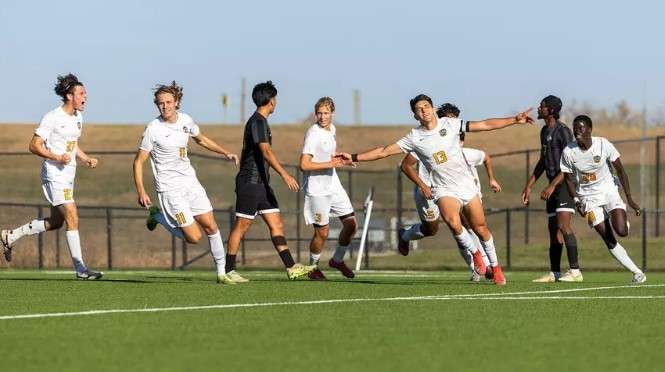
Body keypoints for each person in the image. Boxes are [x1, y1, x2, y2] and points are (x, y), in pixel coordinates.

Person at [339, 94, 534, 285]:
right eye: (418, 109)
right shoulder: (414, 138)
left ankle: (496, 267)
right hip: (442, 188)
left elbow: (484, 125)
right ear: (415, 116)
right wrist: (354, 157)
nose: (423, 110)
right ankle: (475, 254)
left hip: (465, 184)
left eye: (426, 106)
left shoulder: (450, 124)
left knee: (480, 228)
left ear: (432, 108)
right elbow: (383, 151)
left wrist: (514, 120)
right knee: (452, 222)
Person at [133, 81, 239, 284]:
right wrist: (141, 191)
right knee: (194, 237)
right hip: (170, 190)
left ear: (176, 102)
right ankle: (158, 217)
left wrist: (225, 152)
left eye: (168, 102)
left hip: (191, 184)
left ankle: (221, 274)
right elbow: (138, 162)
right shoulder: (152, 129)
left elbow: (202, 139)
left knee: (211, 227)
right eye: (160, 103)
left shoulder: (186, 121)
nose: (165, 106)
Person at [1, 74, 103, 279]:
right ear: (69, 95)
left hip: (68, 175)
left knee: (56, 222)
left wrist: (85, 158)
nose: (86, 97)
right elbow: (34, 145)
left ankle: (10, 236)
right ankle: (81, 270)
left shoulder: (78, 118)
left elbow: (72, 145)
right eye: (81, 93)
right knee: (72, 215)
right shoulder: (52, 117)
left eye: (85, 93)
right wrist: (56, 156)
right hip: (54, 175)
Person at [225, 81, 315, 281]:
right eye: (275, 99)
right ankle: (228, 271)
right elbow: (265, 151)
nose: (276, 103)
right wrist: (285, 174)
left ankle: (291, 267)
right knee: (241, 225)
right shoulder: (257, 122)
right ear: (271, 101)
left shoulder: (262, 122)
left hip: (263, 185)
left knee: (277, 224)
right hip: (250, 182)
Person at [399, 103, 499, 281]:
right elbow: (406, 165)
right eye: (448, 120)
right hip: (428, 191)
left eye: (454, 121)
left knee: (465, 224)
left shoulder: (456, 133)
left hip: (451, 189)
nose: (452, 124)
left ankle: (479, 266)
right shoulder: (423, 138)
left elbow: (480, 154)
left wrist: (487, 180)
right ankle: (405, 235)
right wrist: (422, 185)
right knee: (431, 229)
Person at [560, 115, 646, 284]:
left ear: (590, 130)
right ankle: (637, 273)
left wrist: (629, 198)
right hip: (588, 199)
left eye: (581, 127)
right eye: (575, 127)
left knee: (621, 230)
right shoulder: (569, 152)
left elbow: (620, 171)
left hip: (609, 192)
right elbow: (568, 180)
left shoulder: (603, 144)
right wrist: (577, 201)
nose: (577, 130)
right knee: (607, 237)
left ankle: (620, 220)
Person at [521, 95, 581, 283]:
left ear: (552, 110)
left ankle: (575, 272)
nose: (539, 109)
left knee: (563, 226)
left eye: (542, 106)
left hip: (566, 184)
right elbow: (542, 161)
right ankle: (554, 273)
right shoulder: (544, 131)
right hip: (552, 186)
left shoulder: (563, 132)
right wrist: (529, 185)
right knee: (553, 229)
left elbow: (570, 163)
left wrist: (552, 185)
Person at [300, 97, 357, 280]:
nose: (322, 117)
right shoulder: (313, 134)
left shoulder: (332, 129)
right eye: (319, 113)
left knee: (351, 224)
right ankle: (312, 268)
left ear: (332, 113)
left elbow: (327, 156)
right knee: (322, 233)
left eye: (326, 113)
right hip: (317, 191)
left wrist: (340, 160)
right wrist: (330, 163)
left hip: (333, 186)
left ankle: (337, 260)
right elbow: (304, 165)